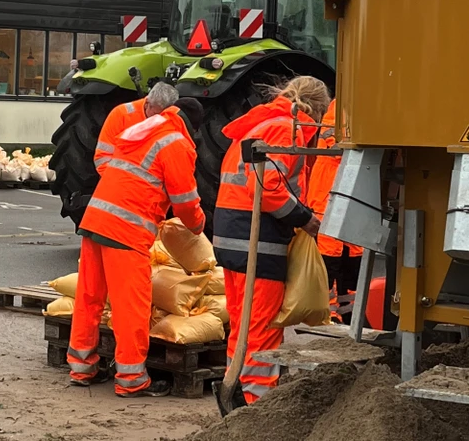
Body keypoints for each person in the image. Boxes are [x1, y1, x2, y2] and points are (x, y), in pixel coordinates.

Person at [67, 83, 206, 398]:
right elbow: (184, 200)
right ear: (191, 125)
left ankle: (82, 366)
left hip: (95, 220)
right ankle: (131, 380)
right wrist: (197, 225)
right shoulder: (176, 142)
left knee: (89, 296)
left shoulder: (141, 132)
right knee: (132, 305)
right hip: (126, 231)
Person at [212, 75, 329, 404]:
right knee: (262, 328)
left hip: (233, 235)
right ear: (318, 108)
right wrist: (307, 220)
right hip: (257, 241)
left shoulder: (259, 123)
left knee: (243, 322)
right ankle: (257, 403)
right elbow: (267, 189)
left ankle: (233, 391)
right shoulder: (285, 128)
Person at [305, 98, 364, 324]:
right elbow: (336, 147)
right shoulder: (344, 106)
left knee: (352, 256)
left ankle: (349, 313)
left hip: (348, 193)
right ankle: (328, 313)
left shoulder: (354, 104)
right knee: (331, 256)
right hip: (329, 195)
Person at [94, 82, 189, 173]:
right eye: (156, 114)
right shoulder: (121, 114)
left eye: (164, 115)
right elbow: (102, 158)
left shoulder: (171, 118)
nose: (159, 119)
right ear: (147, 103)